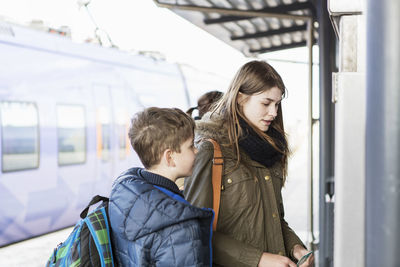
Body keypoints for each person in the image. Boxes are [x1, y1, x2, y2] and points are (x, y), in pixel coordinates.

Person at [184, 60, 314, 267]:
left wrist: (296, 247)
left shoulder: (271, 150)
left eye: (277, 104)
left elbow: (274, 220)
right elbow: (195, 230)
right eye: (266, 103)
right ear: (239, 99)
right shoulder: (211, 150)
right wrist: (259, 259)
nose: (274, 112)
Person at [109, 107, 214, 266]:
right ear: (170, 157)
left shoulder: (125, 193)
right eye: (191, 146)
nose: (197, 151)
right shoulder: (181, 227)